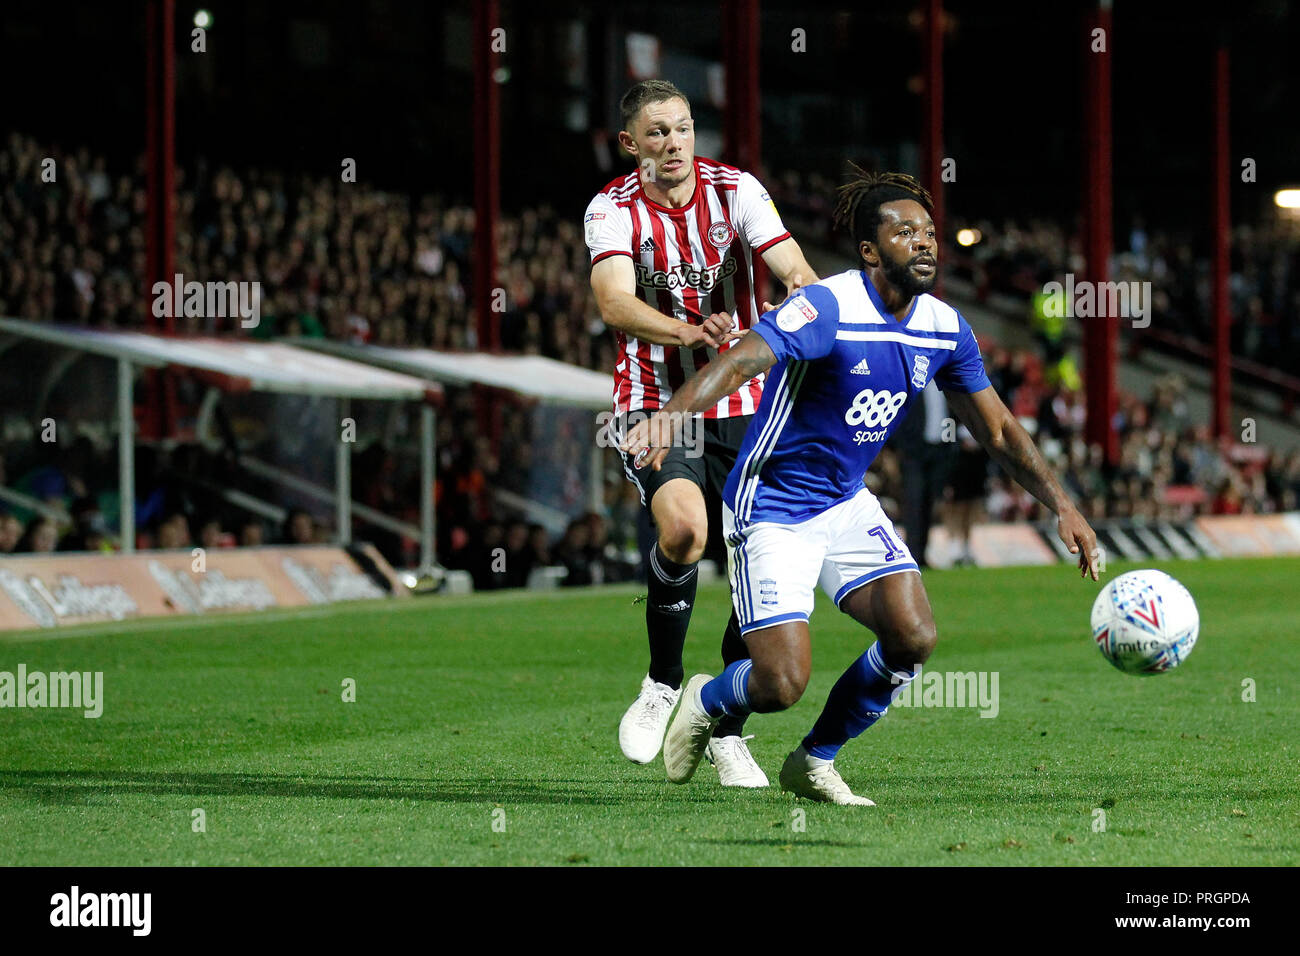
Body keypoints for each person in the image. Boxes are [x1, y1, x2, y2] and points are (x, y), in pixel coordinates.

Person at [623, 169, 1099, 804]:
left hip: (845, 500)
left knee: (914, 636)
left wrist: (1063, 503)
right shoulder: (828, 306)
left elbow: (1001, 430)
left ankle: (815, 760)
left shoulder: (944, 326)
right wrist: (675, 412)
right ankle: (707, 700)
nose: (925, 243)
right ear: (871, 251)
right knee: (781, 682)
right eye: (906, 233)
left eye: (930, 233)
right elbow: (741, 360)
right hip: (773, 504)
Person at [585, 80, 820, 785]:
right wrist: (692, 331)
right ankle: (661, 682)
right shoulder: (611, 209)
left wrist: (798, 299)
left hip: (749, 405)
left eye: (683, 129)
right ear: (631, 144)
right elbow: (614, 304)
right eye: (656, 133)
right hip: (657, 403)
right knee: (685, 531)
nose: (674, 144)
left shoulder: (738, 191)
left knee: (759, 563)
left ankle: (725, 728)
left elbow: (796, 269)